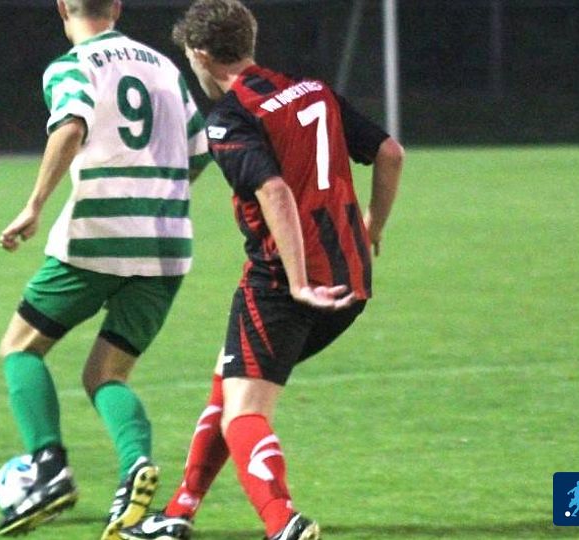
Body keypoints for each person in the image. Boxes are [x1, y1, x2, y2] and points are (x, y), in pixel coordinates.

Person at [120, 1, 403, 539]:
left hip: (281, 286)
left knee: (243, 414)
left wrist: (297, 282)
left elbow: (273, 191)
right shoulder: (313, 90)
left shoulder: (231, 117)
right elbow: (390, 153)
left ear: (201, 55)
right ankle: (179, 512)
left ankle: (283, 523)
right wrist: (373, 226)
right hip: (351, 283)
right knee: (228, 382)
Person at [0, 0, 210, 537]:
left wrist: (34, 205)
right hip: (166, 246)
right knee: (106, 375)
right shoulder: (165, 68)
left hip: (97, 239)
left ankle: (48, 469)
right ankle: (136, 468)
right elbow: (200, 151)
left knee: (20, 347)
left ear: (62, 7)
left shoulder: (72, 66)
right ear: (116, 6)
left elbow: (70, 126)